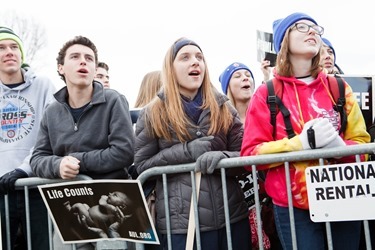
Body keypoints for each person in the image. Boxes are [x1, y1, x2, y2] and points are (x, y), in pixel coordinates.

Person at [240, 12, 370, 250]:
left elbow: (363, 145)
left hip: (343, 198)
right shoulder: (266, 93)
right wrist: (300, 144)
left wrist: (341, 149)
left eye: (315, 28)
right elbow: (250, 155)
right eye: (301, 26)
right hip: (293, 206)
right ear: (283, 41)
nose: (312, 31)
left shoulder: (340, 87)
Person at [134, 37, 250, 250]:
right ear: (171, 68)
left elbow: (246, 154)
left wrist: (223, 158)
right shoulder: (152, 112)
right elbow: (142, 166)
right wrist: (187, 152)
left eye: (199, 57)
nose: (195, 62)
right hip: (181, 227)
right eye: (185, 57)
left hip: (231, 219)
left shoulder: (224, 107)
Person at [30, 35, 135, 249]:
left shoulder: (114, 100)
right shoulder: (51, 111)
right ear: (61, 68)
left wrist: (79, 161)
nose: (83, 61)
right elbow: (37, 158)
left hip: (109, 208)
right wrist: (57, 165)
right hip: (67, 207)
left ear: (95, 69)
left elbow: (124, 152)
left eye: (89, 58)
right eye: (75, 57)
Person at [0, 26, 56, 250]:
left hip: (35, 186)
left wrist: (24, 169)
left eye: (14, 47)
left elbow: (50, 134)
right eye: (1, 48)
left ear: (21, 54)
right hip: (2, 190)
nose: (9, 52)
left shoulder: (43, 85)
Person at [64, 191, 135, 238]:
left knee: (79, 205)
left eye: (115, 195)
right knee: (84, 205)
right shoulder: (113, 208)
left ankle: (69, 210)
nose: (110, 194)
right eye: (112, 193)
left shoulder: (113, 209)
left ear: (122, 206)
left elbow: (101, 203)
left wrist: (103, 198)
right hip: (88, 212)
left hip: (90, 220)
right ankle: (75, 214)